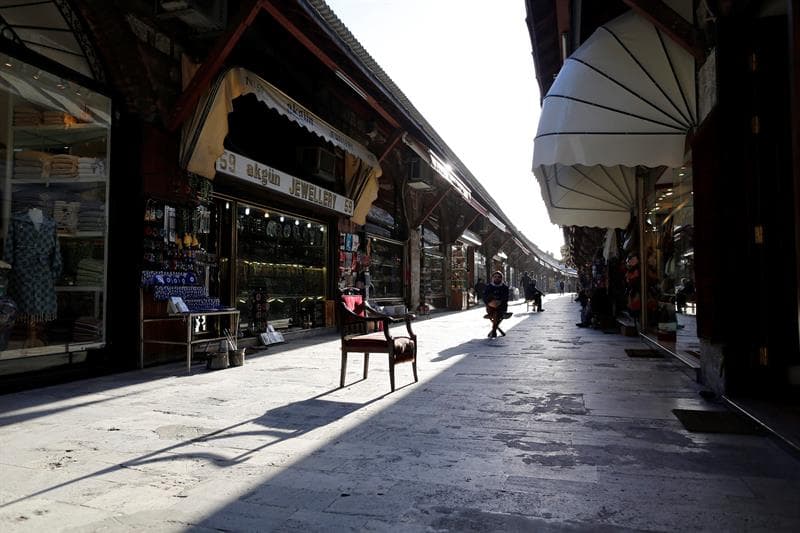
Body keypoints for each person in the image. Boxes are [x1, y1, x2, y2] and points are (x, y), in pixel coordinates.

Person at [483, 270, 510, 337]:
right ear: (492, 278)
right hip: (490, 306)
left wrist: (499, 302)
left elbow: (505, 298)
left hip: (501, 307)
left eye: (499, 277)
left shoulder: (505, 287)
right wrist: (490, 302)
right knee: (494, 312)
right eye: (495, 277)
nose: (497, 278)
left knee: (497, 313)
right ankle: (494, 330)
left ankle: (494, 330)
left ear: (501, 278)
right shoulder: (488, 287)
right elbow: (485, 297)